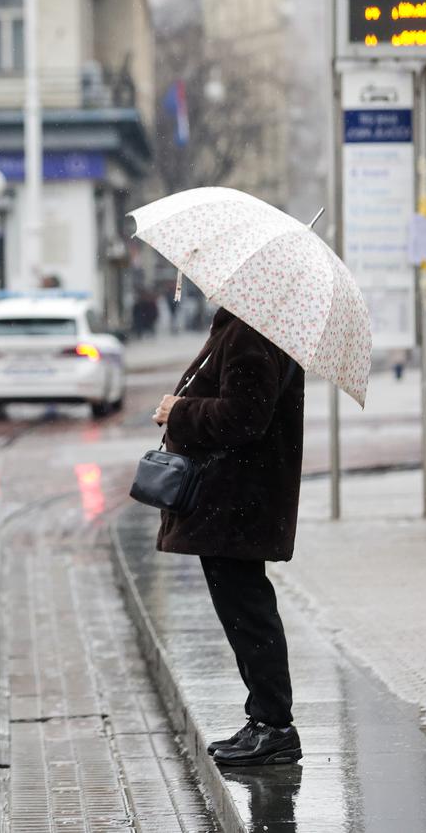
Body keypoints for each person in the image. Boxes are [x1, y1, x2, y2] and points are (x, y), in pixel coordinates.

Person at [151, 307, 304, 767]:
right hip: (233, 499)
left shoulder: (251, 332)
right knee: (242, 611)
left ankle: (275, 726)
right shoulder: (247, 326)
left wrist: (180, 411)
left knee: (249, 612)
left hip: (236, 500)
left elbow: (244, 417)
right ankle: (263, 720)